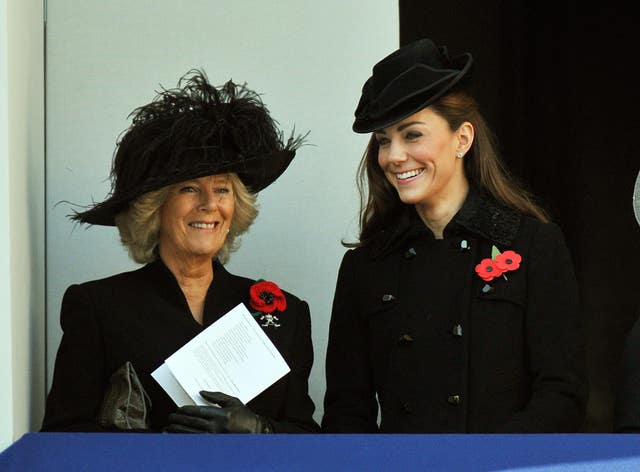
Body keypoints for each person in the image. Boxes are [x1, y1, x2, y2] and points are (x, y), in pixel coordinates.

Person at [322, 38, 588, 433]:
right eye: (383, 141)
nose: (393, 156)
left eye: (412, 135)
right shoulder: (365, 266)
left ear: (462, 139)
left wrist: (484, 461)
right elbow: (346, 413)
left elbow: (561, 395)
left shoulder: (533, 245)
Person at [41, 69, 320, 433]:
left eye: (222, 190)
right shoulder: (99, 308)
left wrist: (260, 431)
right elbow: (63, 437)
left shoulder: (287, 314)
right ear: (154, 207)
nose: (209, 204)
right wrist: (159, 447)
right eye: (189, 189)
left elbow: (307, 437)